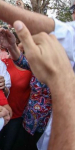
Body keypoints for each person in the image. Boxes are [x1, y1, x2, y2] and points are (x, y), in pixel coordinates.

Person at [12, 20, 75, 150]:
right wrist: (12, 46)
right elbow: (21, 61)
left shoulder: (66, 70)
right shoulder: (39, 64)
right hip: (29, 120)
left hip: (47, 125)